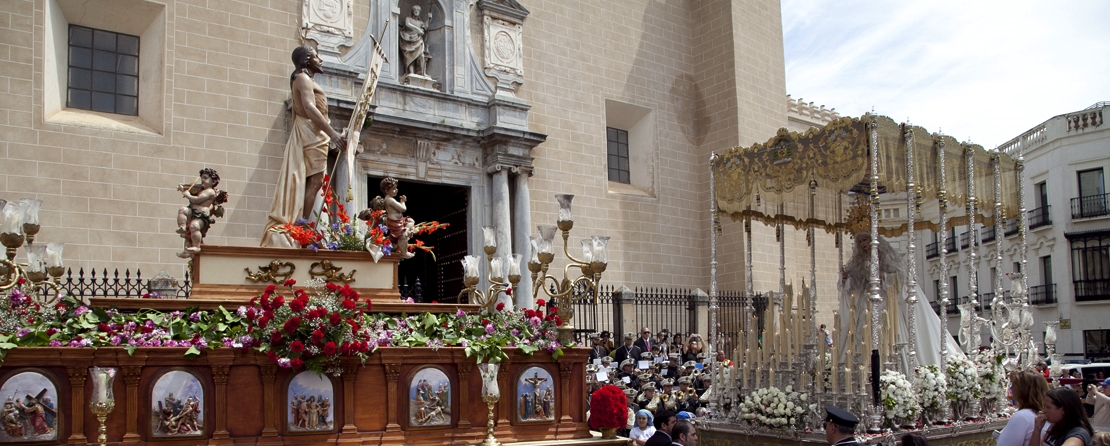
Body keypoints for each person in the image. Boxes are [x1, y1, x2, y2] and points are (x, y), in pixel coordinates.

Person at [261, 46, 347, 248]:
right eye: (317, 57)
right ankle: (303, 226)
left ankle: (304, 225)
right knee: (314, 180)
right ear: (307, 60)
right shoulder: (302, 78)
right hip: (311, 132)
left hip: (316, 133)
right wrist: (333, 134)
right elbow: (309, 107)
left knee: (314, 181)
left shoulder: (307, 79)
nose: (321, 60)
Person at [837, 232, 962, 367]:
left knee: (887, 332)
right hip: (866, 304)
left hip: (887, 302)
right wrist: (846, 279)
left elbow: (901, 279)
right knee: (864, 334)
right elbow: (855, 285)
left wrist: (882, 276)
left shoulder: (886, 258)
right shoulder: (859, 262)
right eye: (860, 241)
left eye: (865, 240)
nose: (863, 244)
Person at [176, 168, 226, 255]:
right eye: (202, 178)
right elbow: (193, 192)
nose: (202, 180)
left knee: (194, 226)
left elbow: (197, 200)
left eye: (205, 178)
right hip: (193, 212)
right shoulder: (201, 189)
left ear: (213, 182)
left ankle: (196, 246)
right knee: (182, 210)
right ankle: (182, 227)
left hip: (202, 216)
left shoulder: (210, 191)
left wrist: (187, 194)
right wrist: (183, 188)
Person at [999, 370, 1051, 446]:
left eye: (1014, 384)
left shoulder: (1022, 416)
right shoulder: (1048, 415)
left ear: (1024, 390)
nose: (1011, 387)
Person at [399, 5, 430, 76]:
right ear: (412, 11)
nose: (416, 11)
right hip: (408, 39)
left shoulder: (420, 22)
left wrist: (428, 18)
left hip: (418, 40)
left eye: (418, 10)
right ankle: (411, 73)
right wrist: (418, 29)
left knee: (421, 56)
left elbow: (426, 27)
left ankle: (423, 73)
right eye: (415, 9)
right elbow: (407, 24)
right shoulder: (408, 19)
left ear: (419, 12)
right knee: (410, 57)